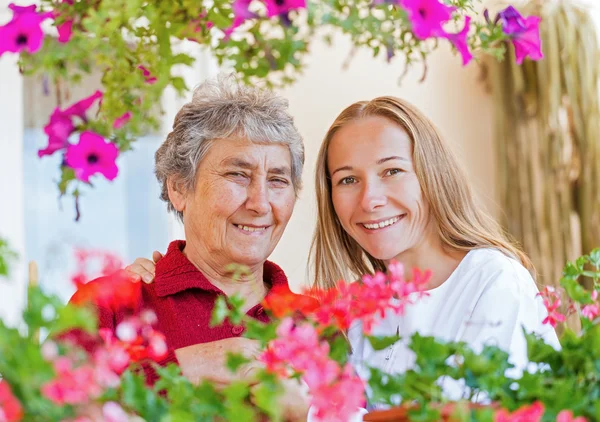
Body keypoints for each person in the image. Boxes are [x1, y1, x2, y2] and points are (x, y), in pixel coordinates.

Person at [128, 95, 560, 408]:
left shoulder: (492, 282)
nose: (371, 199)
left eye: (392, 171)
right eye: (348, 180)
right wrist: (182, 366)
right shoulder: (349, 319)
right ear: (179, 188)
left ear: (432, 175)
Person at [70, 75, 310, 421]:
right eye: (237, 175)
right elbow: (47, 410)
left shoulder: (318, 323)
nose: (260, 203)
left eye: (277, 180)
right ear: (180, 188)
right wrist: (182, 368)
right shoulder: (110, 306)